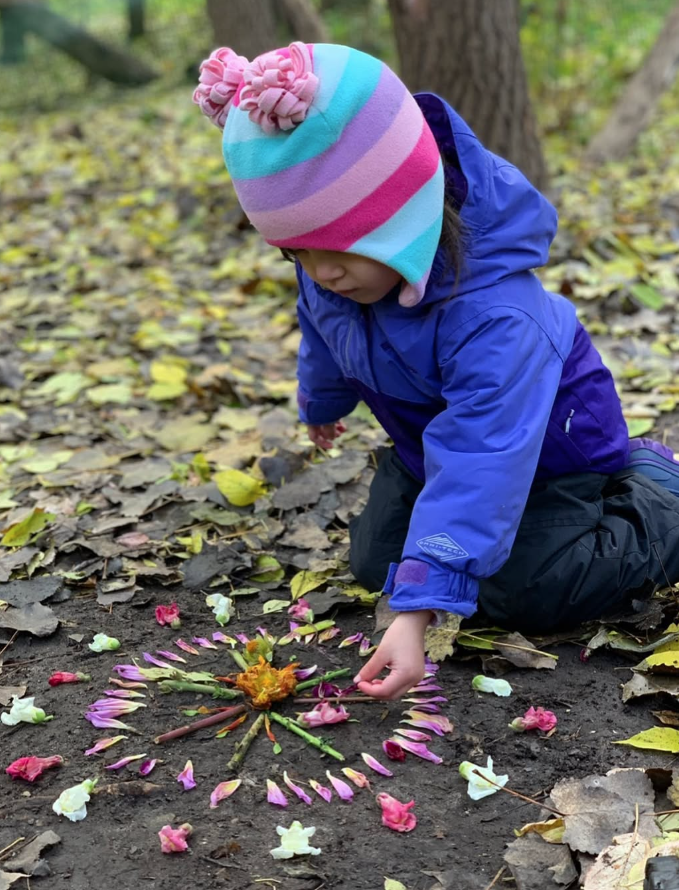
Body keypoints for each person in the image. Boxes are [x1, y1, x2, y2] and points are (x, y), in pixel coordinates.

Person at [193, 41, 679, 700]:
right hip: (432, 442)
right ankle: (450, 557)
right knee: (376, 561)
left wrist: (417, 615)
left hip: (551, 454)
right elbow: (324, 331)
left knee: (520, 588)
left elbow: (485, 452)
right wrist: (322, 404)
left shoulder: (496, 317)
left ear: (403, 214)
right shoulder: (338, 277)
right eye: (295, 252)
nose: (320, 271)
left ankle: (657, 497)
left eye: (337, 249)